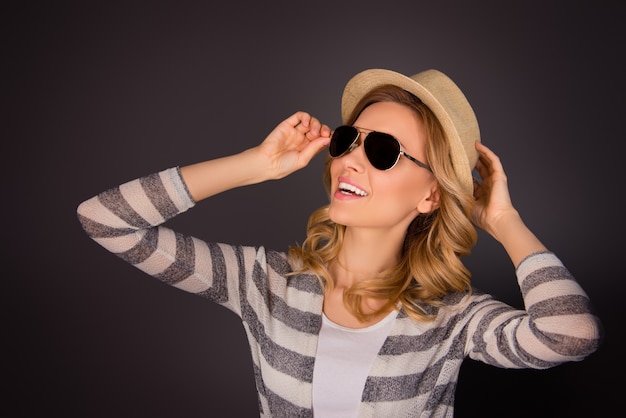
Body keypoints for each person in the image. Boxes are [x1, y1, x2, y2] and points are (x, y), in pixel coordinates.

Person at [76, 68, 602, 417]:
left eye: (383, 151)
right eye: (350, 139)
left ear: (430, 197)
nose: (349, 158)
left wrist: (504, 218)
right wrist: (254, 166)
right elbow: (105, 220)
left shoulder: (450, 318)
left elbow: (570, 334)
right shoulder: (267, 282)